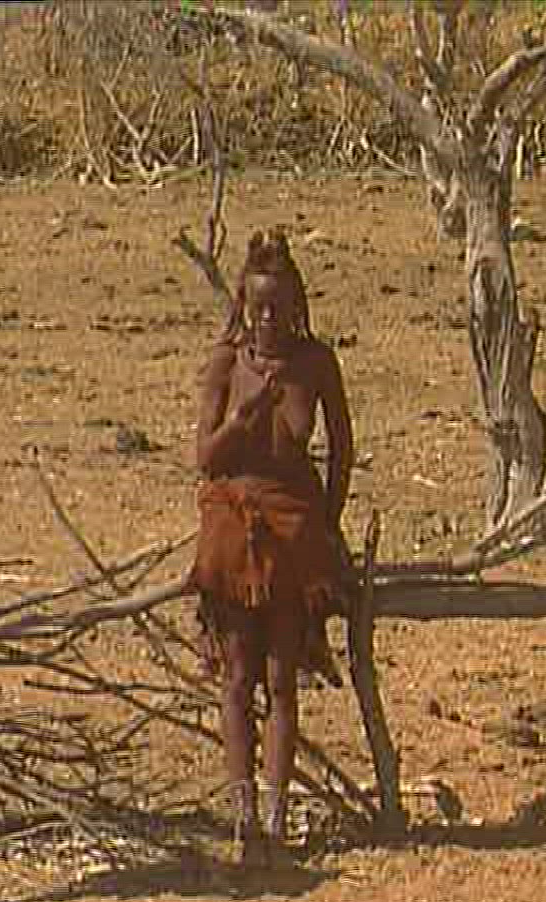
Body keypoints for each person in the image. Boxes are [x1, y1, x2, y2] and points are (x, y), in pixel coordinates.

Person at [186, 228, 354, 868]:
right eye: (258, 306)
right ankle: (243, 819)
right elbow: (205, 458)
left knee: (282, 680)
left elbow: (342, 450)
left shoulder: (317, 364)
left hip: (293, 530)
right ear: (242, 304)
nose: (267, 319)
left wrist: (326, 523)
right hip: (234, 527)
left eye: (279, 307)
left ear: (297, 305)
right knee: (236, 678)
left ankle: (277, 821)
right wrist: (243, 416)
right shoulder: (226, 365)